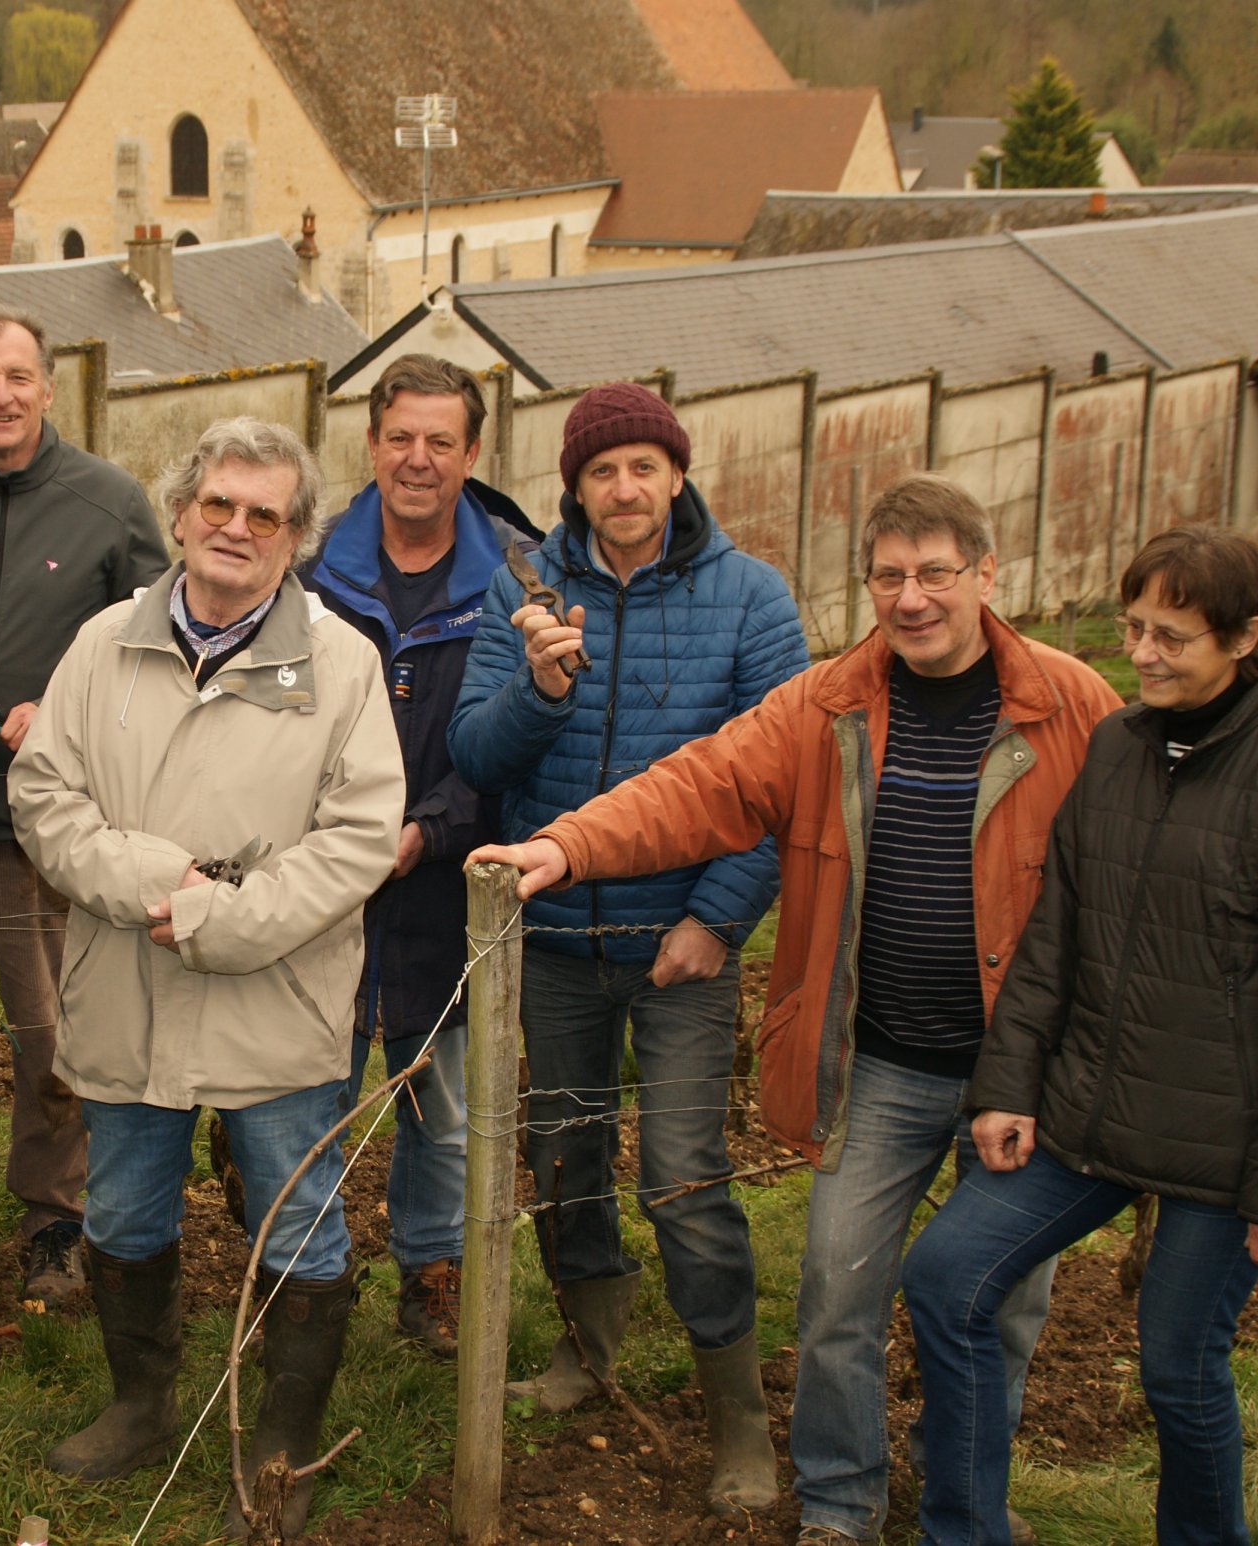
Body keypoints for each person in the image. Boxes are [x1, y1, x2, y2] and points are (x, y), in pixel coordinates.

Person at [470, 473, 1119, 1545]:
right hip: (878, 1061)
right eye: (888, 576)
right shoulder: (829, 704)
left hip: (1019, 1069)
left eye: (935, 574)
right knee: (836, 1294)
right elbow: (700, 783)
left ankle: (959, 1490)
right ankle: (838, 1502)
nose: (911, 598)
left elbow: (1128, 872)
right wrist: (565, 845)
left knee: (1000, 1305)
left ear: (987, 576)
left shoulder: (1072, 705)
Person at [901, 527, 1258, 1546]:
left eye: (1172, 636)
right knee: (944, 1277)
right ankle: (964, 1529)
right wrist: (1007, 1086)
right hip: (1088, 1110)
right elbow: (1056, 932)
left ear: (1246, 636)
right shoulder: (1118, 746)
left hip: (1223, 1148)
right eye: (1132, 629)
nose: (1143, 654)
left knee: (1176, 1366)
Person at [10, 417, 401, 1538]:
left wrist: (220, 920)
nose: (236, 528)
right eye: (217, 504)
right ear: (180, 513)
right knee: (125, 1207)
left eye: (263, 514)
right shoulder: (102, 644)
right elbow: (43, 797)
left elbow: (360, 837)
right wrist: (153, 882)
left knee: (296, 1219)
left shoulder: (342, 662)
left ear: (295, 538)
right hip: (127, 987)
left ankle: (282, 1444)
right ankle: (141, 1406)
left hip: (274, 993)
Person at [446, 380, 808, 1516]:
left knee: (683, 1176)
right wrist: (542, 688)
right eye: (601, 470)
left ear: (676, 473)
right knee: (564, 1160)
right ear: (575, 485)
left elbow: (785, 776)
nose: (623, 488)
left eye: (643, 465)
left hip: (680, 944)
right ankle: (587, 1347)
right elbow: (474, 754)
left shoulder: (749, 599)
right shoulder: (523, 589)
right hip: (555, 941)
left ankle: (735, 1412)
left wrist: (718, 918)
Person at [0, 303, 170, 1309]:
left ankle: (52, 1215)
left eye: (18, 377)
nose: (0, 396)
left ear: (50, 387)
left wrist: (64, 708)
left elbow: (157, 647)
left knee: (48, 1029)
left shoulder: (109, 502)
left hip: (44, 813)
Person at [302, 353, 534, 1359]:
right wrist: (339, 833)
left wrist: (429, 829)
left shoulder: (519, 576)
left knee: (441, 1095)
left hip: (455, 877)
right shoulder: (311, 567)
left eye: (441, 441)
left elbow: (522, 736)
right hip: (322, 874)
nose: (417, 459)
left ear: (472, 452)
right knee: (309, 1080)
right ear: (369, 443)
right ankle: (303, 1273)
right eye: (399, 437)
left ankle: (430, 1270)